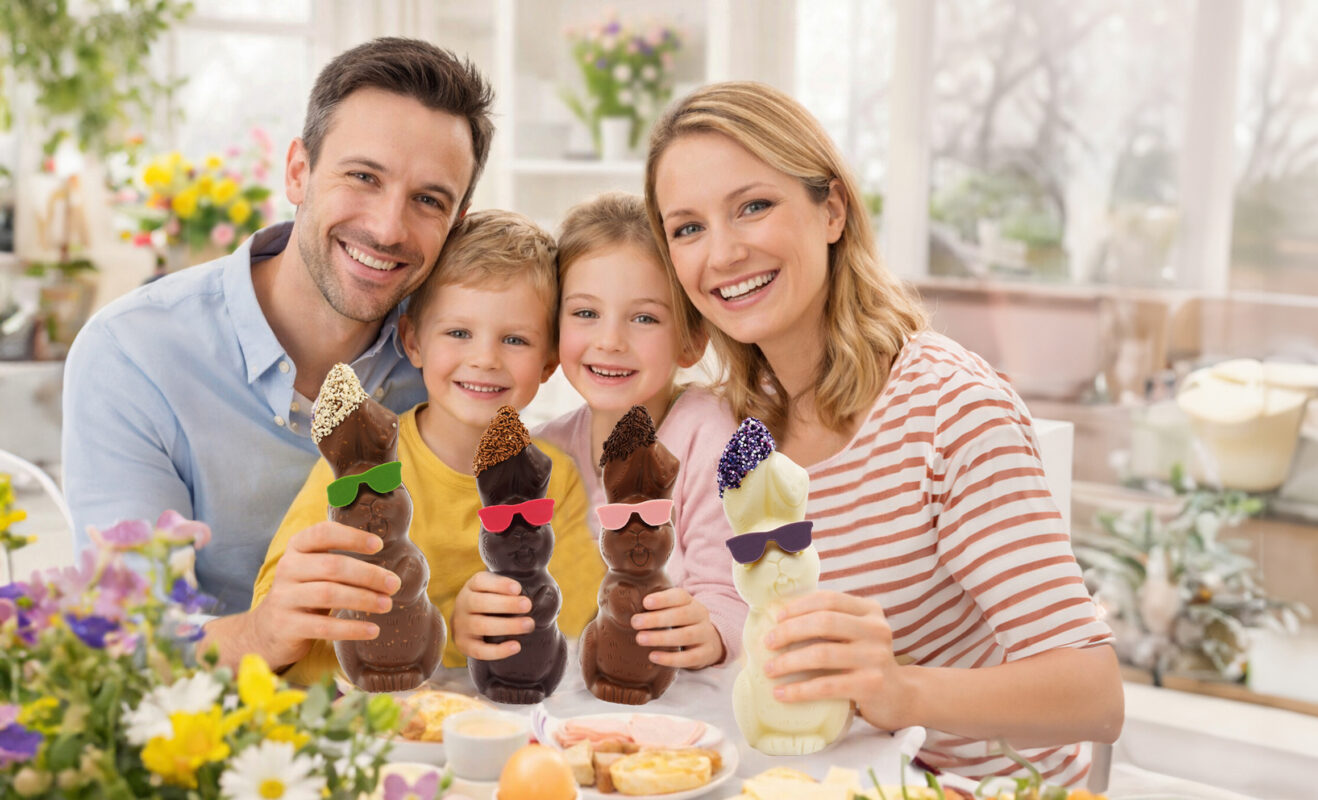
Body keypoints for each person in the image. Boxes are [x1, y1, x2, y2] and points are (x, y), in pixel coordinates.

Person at [644, 82, 1122, 786]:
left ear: (831, 209)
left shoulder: (949, 412)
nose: (721, 254)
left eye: (753, 206)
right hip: (810, 775)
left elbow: (1094, 694)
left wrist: (899, 689)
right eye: (687, 227)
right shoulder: (731, 427)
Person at [61, 38, 494, 617]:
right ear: (298, 172)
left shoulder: (454, 365)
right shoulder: (133, 354)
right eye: (364, 176)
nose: (389, 228)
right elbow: (134, 636)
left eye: (428, 200)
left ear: (456, 222)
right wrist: (264, 635)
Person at [247, 210, 604, 683]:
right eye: (458, 333)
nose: (484, 359)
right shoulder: (360, 463)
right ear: (413, 342)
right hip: (360, 720)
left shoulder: (554, 478)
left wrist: (496, 631)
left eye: (515, 340)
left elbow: (580, 631)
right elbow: (277, 623)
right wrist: (448, 633)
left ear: (548, 363)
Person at [527, 192, 745, 670]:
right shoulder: (543, 452)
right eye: (585, 313)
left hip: (685, 701)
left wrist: (710, 631)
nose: (610, 341)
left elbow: (733, 592)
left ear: (690, 341)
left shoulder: (710, 436)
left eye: (644, 318)